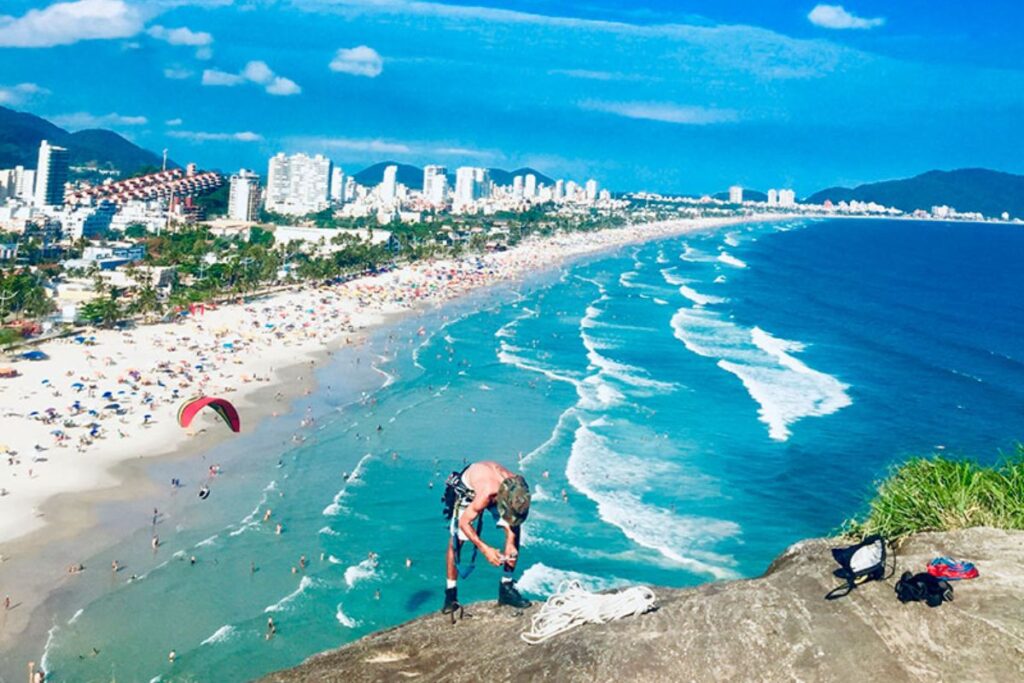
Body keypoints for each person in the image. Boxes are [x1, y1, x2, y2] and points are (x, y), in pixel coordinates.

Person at [441, 461, 532, 614]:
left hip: (500, 490)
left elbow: (513, 519)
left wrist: (510, 541)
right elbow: (464, 523)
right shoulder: (486, 493)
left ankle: (506, 587)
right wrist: (485, 549)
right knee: (457, 541)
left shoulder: (519, 486)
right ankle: (450, 594)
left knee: (515, 528)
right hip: (469, 491)